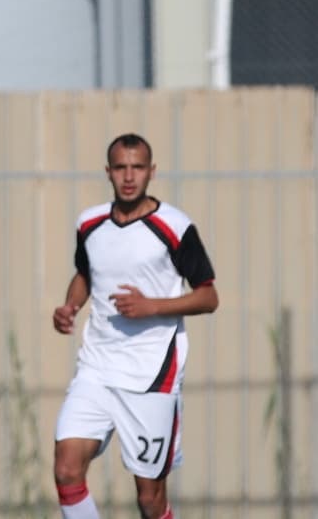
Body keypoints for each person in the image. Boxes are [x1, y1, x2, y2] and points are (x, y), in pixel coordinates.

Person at [51, 134, 220, 519]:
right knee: (66, 470)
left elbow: (209, 296)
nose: (129, 176)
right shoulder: (90, 223)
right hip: (96, 368)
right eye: (121, 168)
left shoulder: (175, 226)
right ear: (108, 172)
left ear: (151, 172)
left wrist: (152, 306)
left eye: (138, 167)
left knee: (149, 500)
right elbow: (86, 274)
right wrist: (70, 306)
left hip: (151, 373)